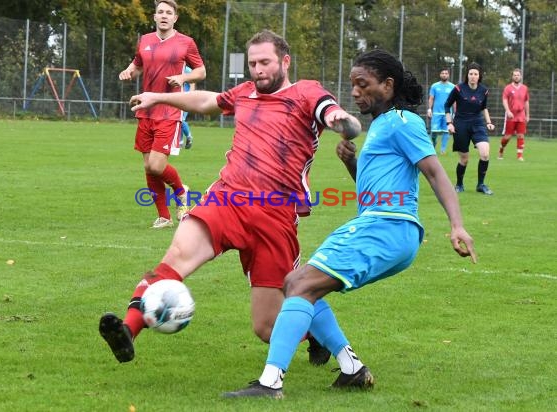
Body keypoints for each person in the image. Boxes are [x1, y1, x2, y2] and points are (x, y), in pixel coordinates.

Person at [223, 49, 477, 399]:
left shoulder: (403, 121)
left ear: (388, 85)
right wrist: (352, 164)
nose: (355, 92)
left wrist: (457, 225)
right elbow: (374, 191)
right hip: (380, 224)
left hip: (387, 228)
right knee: (297, 282)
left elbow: (434, 172)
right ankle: (352, 369)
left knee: (299, 285)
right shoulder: (384, 126)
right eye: (353, 84)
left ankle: (270, 384)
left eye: (363, 84)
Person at [99, 30, 363, 366]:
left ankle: (313, 335)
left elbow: (332, 113)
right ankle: (128, 329)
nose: (258, 69)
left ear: (285, 61)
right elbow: (208, 101)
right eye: (253, 63)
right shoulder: (246, 91)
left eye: (265, 62)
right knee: (177, 256)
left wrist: (343, 122)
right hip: (227, 199)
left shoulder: (306, 92)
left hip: (275, 215)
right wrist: (158, 96)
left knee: (267, 327)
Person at [119, 0, 206, 229]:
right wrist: (129, 71)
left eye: (169, 12)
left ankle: (181, 191)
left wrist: (183, 78)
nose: (164, 15)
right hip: (145, 110)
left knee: (157, 166)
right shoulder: (145, 40)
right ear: (154, 17)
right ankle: (164, 217)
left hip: (169, 110)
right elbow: (137, 65)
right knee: (148, 166)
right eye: (160, 12)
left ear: (175, 18)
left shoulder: (186, 42)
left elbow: (201, 71)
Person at [444, 62, 495, 195]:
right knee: (464, 159)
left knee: (485, 153)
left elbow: (484, 107)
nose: (473, 76)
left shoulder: (484, 90)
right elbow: (447, 105)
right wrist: (449, 123)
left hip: (477, 123)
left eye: (475, 74)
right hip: (460, 124)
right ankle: (459, 184)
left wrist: (488, 122)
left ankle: (481, 184)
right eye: (471, 73)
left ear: (479, 76)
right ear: (467, 75)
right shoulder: (458, 88)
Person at [499, 68, 530, 161]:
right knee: (507, 137)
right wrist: (508, 111)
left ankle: (519, 156)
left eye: (518, 75)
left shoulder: (525, 88)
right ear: (512, 77)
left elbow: (526, 102)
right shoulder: (508, 88)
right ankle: (501, 149)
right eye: (515, 75)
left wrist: (527, 115)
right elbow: (504, 100)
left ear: (520, 76)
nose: (516, 77)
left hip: (521, 116)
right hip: (511, 116)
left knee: (521, 135)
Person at [427, 68, 455, 154]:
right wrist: (429, 109)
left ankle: (443, 150)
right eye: (442, 73)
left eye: (446, 73)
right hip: (436, 113)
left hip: (447, 113)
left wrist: (455, 112)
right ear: (440, 75)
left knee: (446, 131)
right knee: (434, 132)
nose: (444, 75)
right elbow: (431, 98)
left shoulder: (452, 87)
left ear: (448, 75)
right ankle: (434, 144)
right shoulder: (434, 86)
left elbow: (454, 101)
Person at [179, 66, 195, 150]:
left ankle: (189, 136)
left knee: (181, 119)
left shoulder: (188, 70)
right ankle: (180, 143)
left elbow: (192, 84)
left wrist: (189, 97)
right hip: (176, 99)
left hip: (185, 99)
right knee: (178, 120)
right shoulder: (175, 68)